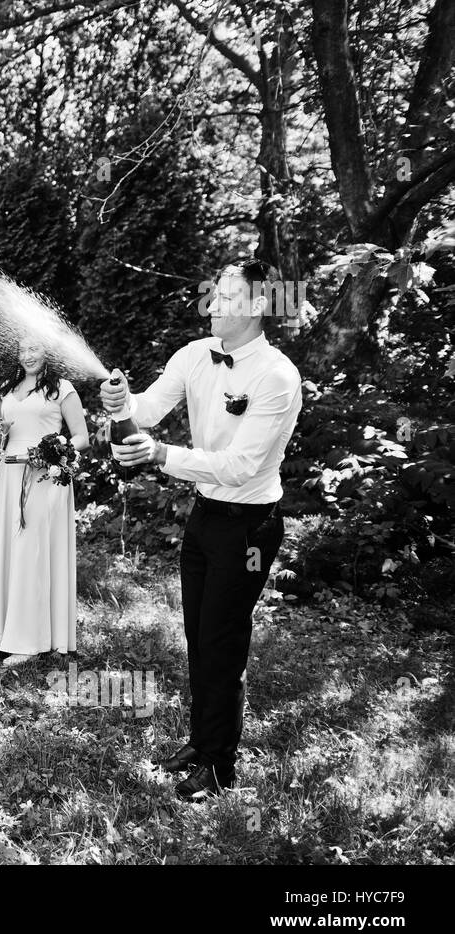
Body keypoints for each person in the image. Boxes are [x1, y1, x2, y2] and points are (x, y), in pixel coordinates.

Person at [101, 260, 302, 798]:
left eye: (230, 297)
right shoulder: (193, 355)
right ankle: (201, 741)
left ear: (259, 306)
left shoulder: (277, 376)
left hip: (250, 526)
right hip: (206, 516)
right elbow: (146, 408)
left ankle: (219, 765)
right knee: (197, 634)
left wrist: (162, 454)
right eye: (215, 294)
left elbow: (241, 466)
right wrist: (124, 404)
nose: (214, 304)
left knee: (222, 640)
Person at [0, 338, 89, 665]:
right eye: (23, 349)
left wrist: (54, 452)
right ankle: (1, 627)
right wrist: (0, 431)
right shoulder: (9, 389)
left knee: (31, 554)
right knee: (8, 550)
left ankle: (29, 640)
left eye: (35, 349)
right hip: (9, 478)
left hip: (43, 479)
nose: (28, 355)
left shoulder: (61, 389)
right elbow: (5, 438)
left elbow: (81, 436)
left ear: (47, 353)